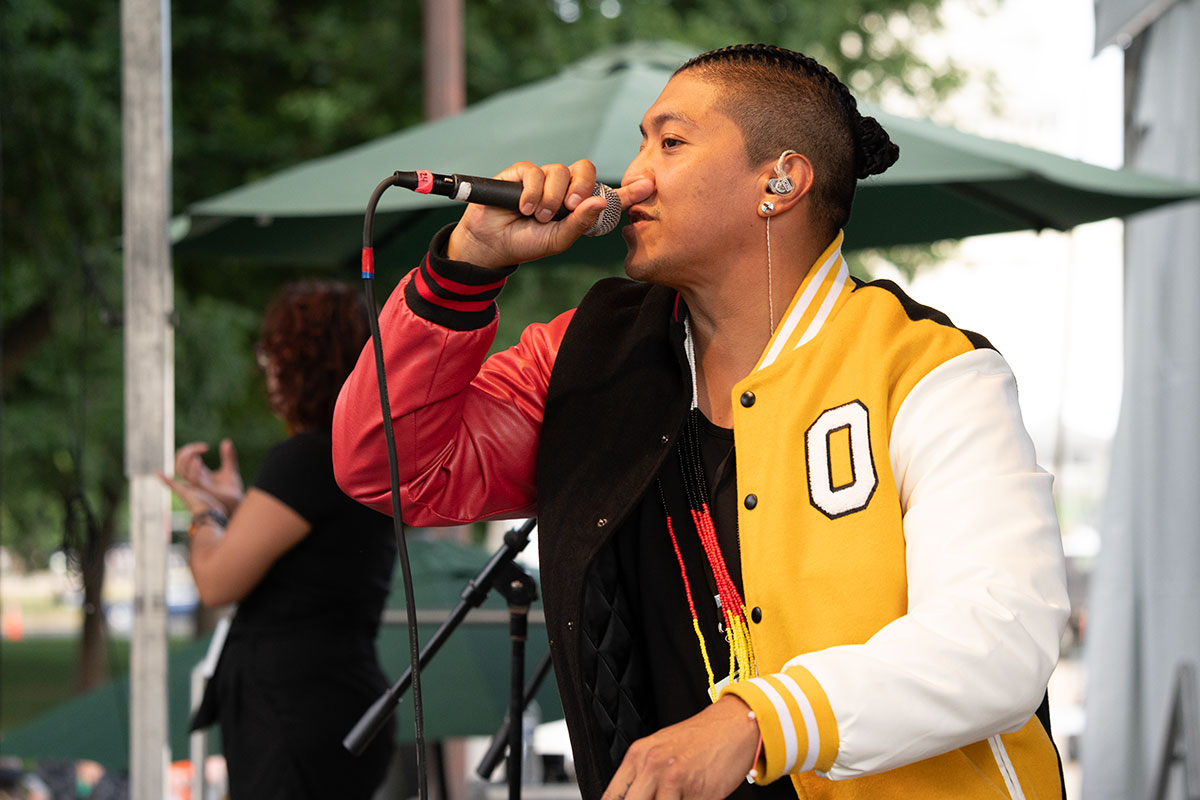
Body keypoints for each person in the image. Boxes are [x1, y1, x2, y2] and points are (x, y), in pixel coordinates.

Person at [331, 44, 1070, 800]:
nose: (634, 172)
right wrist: (464, 270)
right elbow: (393, 468)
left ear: (780, 180)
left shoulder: (930, 372)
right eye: (642, 141)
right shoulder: (587, 357)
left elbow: (1001, 638)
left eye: (671, 141)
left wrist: (759, 719)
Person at [161, 280, 397, 799]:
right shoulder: (362, 455)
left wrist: (202, 514)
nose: (264, 367)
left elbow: (218, 582)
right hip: (338, 705)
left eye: (274, 355)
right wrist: (235, 510)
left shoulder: (305, 460)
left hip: (296, 714)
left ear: (302, 365)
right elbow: (310, 559)